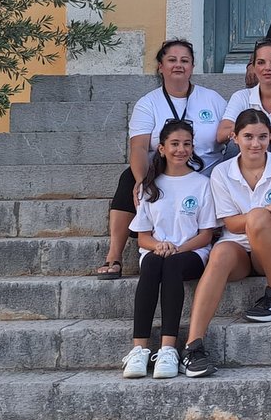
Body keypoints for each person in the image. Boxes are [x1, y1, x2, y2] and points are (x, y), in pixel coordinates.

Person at [179, 110, 271, 378]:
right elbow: (231, 224)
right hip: (239, 247)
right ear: (235, 138)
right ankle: (193, 345)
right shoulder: (222, 172)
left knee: (258, 217)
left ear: (270, 137)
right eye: (248, 137)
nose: (255, 144)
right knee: (220, 252)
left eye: (262, 137)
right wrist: (265, 213)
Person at [94, 39, 226, 281]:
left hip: (206, 174)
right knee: (128, 179)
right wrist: (141, 181)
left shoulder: (213, 99)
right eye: (172, 60)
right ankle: (114, 255)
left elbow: (230, 134)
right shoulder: (148, 103)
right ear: (160, 67)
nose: (178, 65)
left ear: (192, 66)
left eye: (185, 60)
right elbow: (139, 147)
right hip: (165, 174)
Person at [120, 120, 218, 379]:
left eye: (187, 144)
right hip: (156, 252)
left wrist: (179, 249)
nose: (181, 149)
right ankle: (139, 350)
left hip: (192, 252)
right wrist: (159, 246)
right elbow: (143, 238)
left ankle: (168, 349)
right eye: (174, 144)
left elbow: (206, 234)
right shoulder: (150, 186)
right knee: (153, 263)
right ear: (162, 148)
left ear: (193, 148)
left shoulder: (202, 184)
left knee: (172, 264)